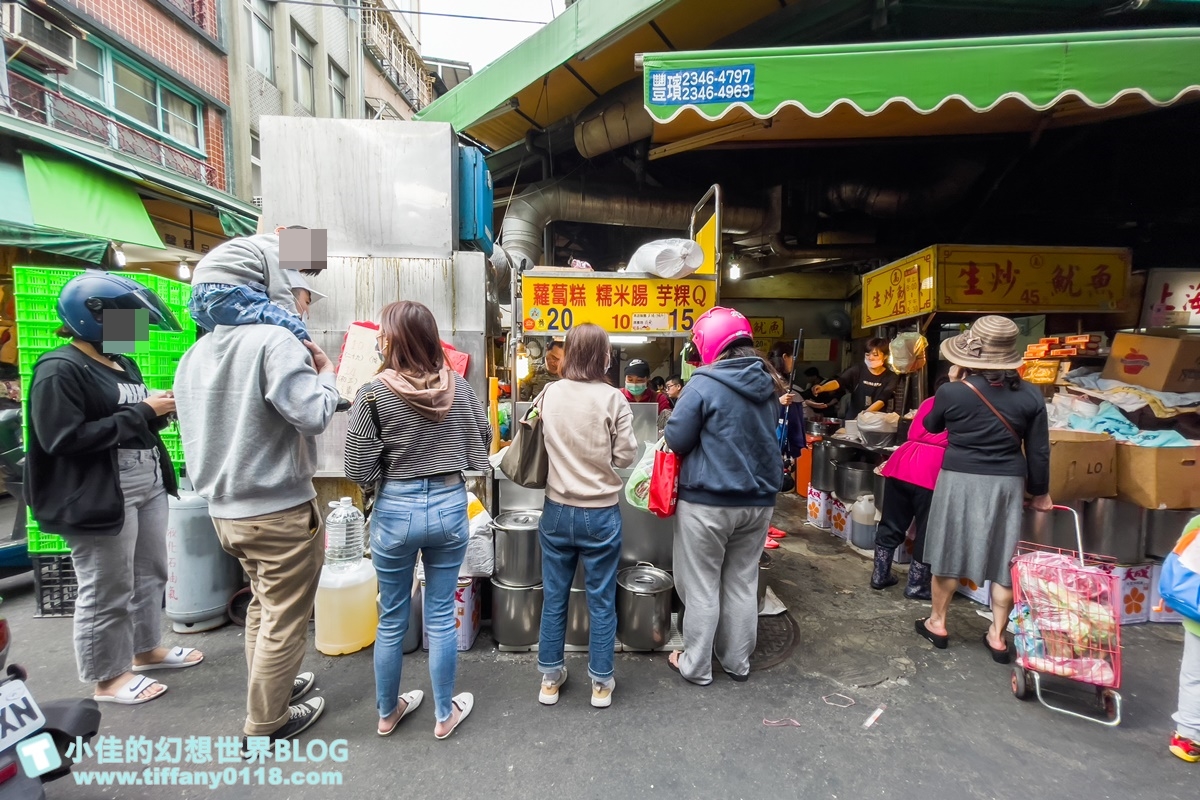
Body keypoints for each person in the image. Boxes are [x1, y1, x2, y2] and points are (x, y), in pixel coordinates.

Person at [174, 257, 341, 743]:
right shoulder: (276, 342)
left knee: (262, 606)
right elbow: (312, 414)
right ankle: (266, 723)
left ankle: (273, 688)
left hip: (225, 511)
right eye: (302, 294)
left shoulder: (198, 352)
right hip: (278, 509)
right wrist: (327, 373)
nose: (303, 305)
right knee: (285, 618)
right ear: (269, 289)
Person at [25, 271, 202, 705]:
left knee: (149, 573)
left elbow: (128, 420)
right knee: (107, 585)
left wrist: (158, 412)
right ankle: (107, 677)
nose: (137, 333)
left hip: (145, 479)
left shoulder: (123, 363)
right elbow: (62, 439)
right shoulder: (60, 369)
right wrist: (142, 410)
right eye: (131, 322)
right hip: (99, 489)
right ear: (96, 319)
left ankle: (146, 650)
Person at [345, 301, 491, 740]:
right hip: (450, 504)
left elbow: (357, 466)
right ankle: (444, 715)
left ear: (392, 340)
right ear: (430, 338)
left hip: (396, 509)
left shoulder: (372, 391)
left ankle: (387, 714)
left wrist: (387, 473)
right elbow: (482, 439)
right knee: (442, 614)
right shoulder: (460, 388)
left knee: (391, 617)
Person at [915, 316, 1051, 661]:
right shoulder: (1032, 395)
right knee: (1004, 557)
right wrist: (1041, 492)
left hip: (959, 478)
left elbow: (931, 425)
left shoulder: (952, 391)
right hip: (1007, 483)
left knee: (948, 551)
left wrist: (950, 382)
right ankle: (997, 636)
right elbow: (1038, 449)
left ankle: (938, 622)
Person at [664, 308, 783, 685]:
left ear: (708, 345)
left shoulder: (703, 383)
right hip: (759, 502)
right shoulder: (770, 385)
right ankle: (737, 662)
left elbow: (677, 439)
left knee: (701, 586)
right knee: (741, 582)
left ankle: (696, 665)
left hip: (708, 502)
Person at [534, 323, 637, 709]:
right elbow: (626, 457)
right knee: (600, 599)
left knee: (555, 597)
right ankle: (600, 683)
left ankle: (549, 678)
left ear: (571, 353)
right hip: (601, 514)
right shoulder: (614, 399)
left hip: (557, 511)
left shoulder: (548, 393)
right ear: (605, 356)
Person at [870, 366, 962, 600]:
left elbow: (913, 428)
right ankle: (916, 586)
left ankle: (880, 575)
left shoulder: (928, 401)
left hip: (904, 461)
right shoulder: (964, 406)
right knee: (927, 529)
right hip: (933, 469)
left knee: (891, 521)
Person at [188, 225, 314, 342]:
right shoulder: (275, 245)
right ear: (281, 232)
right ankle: (316, 363)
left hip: (198, 300)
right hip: (228, 292)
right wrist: (294, 319)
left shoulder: (251, 246)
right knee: (294, 327)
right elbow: (280, 293)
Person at [812, 338, 898, 418]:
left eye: (875, 355)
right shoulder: (857, 369)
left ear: (885, 356)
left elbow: (882, 399)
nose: (870, 358)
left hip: (875, 421)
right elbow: (839, 382)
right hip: (853, 417)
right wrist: (823, 387)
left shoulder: (891, 377)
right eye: (867, 354)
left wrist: (863, 415)